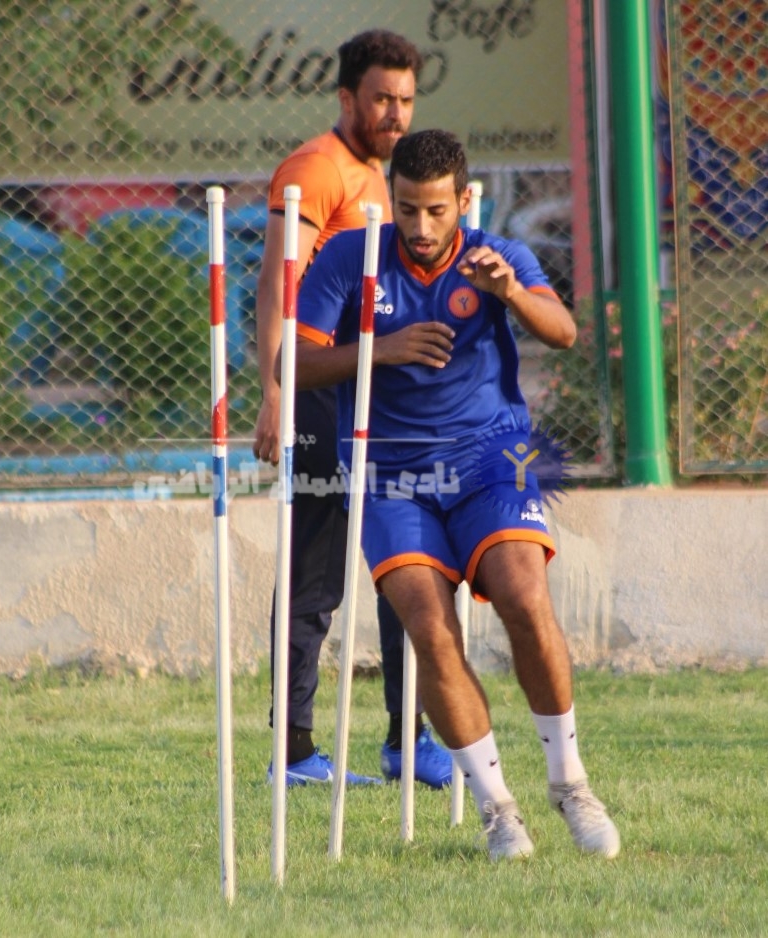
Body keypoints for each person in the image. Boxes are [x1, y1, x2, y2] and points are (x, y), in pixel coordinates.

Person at [288, 128, 620, 859]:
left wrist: (508, 291)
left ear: (461, 201)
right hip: (387, 474)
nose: (420, 227)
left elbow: (562, 331)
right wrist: (380, 350)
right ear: (391, 199)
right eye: (407, 209)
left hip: (490, 458)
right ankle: (498, 807)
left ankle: (568, 783)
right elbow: (291, 364)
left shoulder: (497, 255)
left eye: (435, 211)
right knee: (427, 628)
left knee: (523, 595)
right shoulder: (352, 257)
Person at [253, 30, 452, 788]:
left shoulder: (389, 179)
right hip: (321, 391)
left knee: (408, 563)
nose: (394, 112)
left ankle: (408, 738)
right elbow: (279, 282)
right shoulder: (316, 170)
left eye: (405, 99)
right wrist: (276, 389)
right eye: (381, 98)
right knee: (316, 573)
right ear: (347, 98)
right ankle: (295, 753)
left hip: (385, 398)